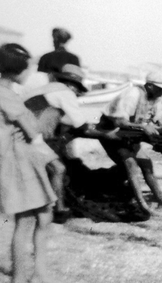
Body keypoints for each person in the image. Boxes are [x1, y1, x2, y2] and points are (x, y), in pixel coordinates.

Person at [0, 43, 59, 283]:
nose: (29, 73)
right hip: (17, 163)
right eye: (27, 68)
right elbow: (32, 129)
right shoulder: (5, 96)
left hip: (23, 160)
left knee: (43, 214)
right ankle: (18, 279)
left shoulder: (3, 94)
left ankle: (38, 272)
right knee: (25, 220)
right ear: (17, 70)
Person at [24, 63, 122, 220]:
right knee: (59, 169)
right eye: (77, 88)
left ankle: (47, 202)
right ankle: (59, 210)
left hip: (24, 134)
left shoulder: (47, 90)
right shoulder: (65, 92)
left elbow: (64, 120)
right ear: (71, 84)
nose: (77, 93)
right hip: (33, 138)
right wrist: (105, 135)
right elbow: (83, 127)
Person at [96, 71, 162, 214]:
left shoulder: (153, 98)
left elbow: (146, 119)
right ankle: (142, 204)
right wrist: (144, 127)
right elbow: (119, 121)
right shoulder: (133, 94)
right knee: (130, 164)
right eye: (160, 89)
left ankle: (161, 201)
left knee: (146, 163)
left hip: (128, 135)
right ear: (150, 86)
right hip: (111, 133)